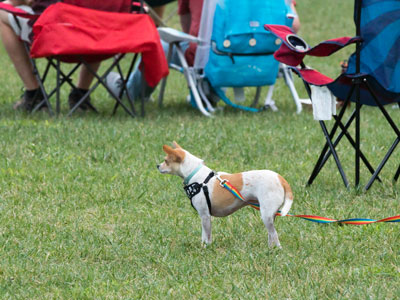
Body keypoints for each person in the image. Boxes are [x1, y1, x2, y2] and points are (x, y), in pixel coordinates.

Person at [106, 0, 300, 104]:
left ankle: (130, 92)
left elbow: (188, 27)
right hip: (264, 60)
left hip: (210, 59)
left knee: (163, 42)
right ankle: (209, 91)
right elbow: (293, 25)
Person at [0, 0, 98, 112]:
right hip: (97, 37)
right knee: (99, 19)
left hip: (53, 35)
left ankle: (34, 94)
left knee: (2, 12)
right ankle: (81, 93)